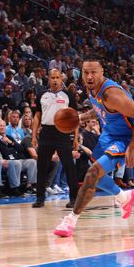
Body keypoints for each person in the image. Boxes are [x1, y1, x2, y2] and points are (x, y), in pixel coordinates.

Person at [54, 57, 134, 238]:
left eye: (93, 72)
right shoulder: (91, 90)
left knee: (92, 174)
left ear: (102, 72)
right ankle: (123, 197)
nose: (89, 76)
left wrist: (132, 147)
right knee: (95, 175)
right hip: (109, 135)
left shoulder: (110, 94)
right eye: (85, 72)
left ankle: (71, 220)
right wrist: (80, 118)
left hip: (126, 138)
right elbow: (99, 110)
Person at [31, 68, 79, 208]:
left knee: (69, 166)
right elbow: (37, 116)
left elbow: (74, 117)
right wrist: (34, 136)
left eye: (58, 77)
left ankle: (74, 198)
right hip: (46, 132)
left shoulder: (68, 95)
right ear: (48, 79)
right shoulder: (41, 95)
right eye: (52, 77)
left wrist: (75, 137)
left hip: (63, 132)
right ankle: (40, 198)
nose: (55, 80)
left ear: (61, 79)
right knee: (42, 166)